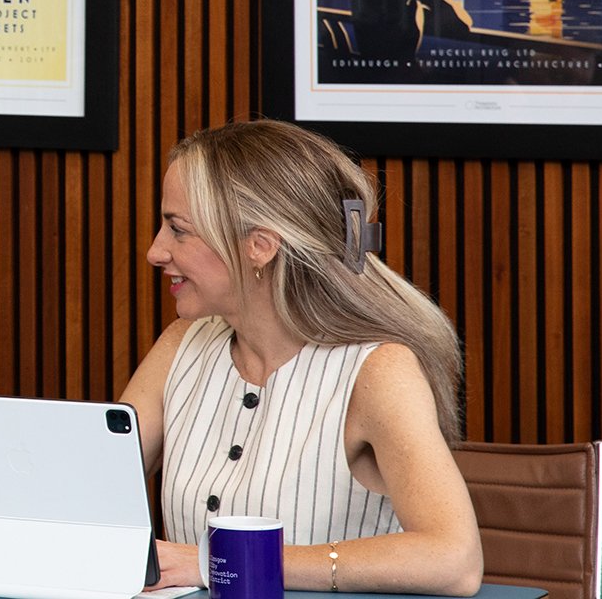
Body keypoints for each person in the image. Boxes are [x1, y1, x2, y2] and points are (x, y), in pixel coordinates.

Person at [121, 119, 482, 594]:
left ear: (260, 247)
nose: (154, 251)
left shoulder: (378, 371)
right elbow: (88, 491)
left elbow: (454, 561)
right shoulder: (182, 344)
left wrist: (220, 563)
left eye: (177, 229)